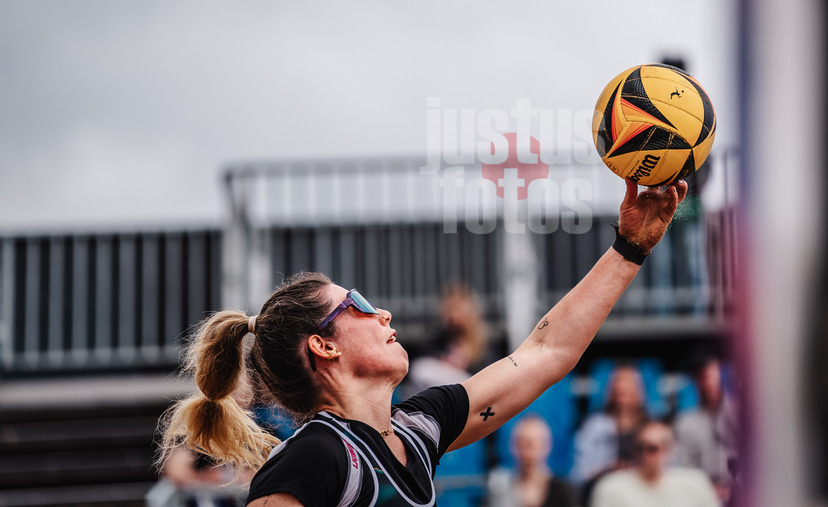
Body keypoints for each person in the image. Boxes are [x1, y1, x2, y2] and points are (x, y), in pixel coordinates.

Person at [157, 179, 686, 507]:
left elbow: (546, 354)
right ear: (324, 347)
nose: (382, 312)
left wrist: (629, 249)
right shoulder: (312, 460)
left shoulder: (419, 428)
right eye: (357, 302)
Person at [589, 421, 718, 507]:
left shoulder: (695, 483)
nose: (644, 454)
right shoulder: (611, 487)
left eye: (652, 448)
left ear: (669, 450)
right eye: (639, 448)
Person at [405, 282, 498, 395]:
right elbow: (424, 359)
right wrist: (444, 361)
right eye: (449, 310)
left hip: (472, 389)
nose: (452, 315)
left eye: (457, 309)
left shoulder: (480, 340)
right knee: (420, 369)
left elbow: (490, 375)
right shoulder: (441, 337)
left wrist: (465, 362)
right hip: (446, 390)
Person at [570, 363, 649, 493]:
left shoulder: (652, 427)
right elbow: (580, 473)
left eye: (628, 381)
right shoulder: (594, 426)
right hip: (604, 489)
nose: (622, 386)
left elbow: (668, 471)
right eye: (618, 381)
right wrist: (609, 469)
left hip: (644, 490)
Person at [673, 356, 739, 504]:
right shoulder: (685, 422)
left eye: (713, 375)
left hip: (741, 491)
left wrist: (734, 486)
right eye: (704, 376)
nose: (709, 382)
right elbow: (684, 467)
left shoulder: (740, 415)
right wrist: (705, 488)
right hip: (702, 495)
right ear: (696, 380)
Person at [486, 415, 576, 507]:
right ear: (514, 446)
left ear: (547, 445)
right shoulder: (499, 490)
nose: (529, 450)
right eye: (523, 442)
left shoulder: (564, 492)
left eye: (533, 443)